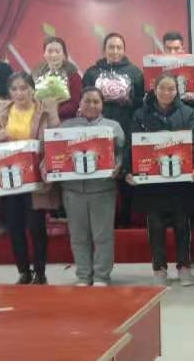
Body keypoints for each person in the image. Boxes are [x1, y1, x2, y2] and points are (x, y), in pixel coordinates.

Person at [125, 72, 194, 287]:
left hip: (180, 183)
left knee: (182, 226)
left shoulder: (188, 113)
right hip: (152, 185)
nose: (167, 92)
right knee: (156, 228)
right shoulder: (140, 114)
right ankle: (159, 269)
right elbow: (132, 145)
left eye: (171, 89)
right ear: (154, 89)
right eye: (163, 88)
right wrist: (129, 170)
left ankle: (184, 267)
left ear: (177, 91)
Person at [0, 72, 61, 284]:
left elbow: (56, 138)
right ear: (9, 92)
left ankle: (40, 272)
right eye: (14, 89)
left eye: (24, 88)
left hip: (35, 177)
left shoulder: (45, 111)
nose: (19, 93)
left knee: (36, 227)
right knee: (15, 226)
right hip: (9, 179)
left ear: (32, 90)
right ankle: (23, 271)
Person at [60, 87, 125, 286]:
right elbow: (54, 154)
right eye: (87, 101)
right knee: (78, 236)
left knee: (102, 236)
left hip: (102, 189)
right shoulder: (65, 127)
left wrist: (118, 166)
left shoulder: (113, 127)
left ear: (102, 104)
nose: (91, 105)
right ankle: (83, 275)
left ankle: (101, 276)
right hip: (72, 190)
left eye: (96, 101)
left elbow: (121, 153)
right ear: (80, 103)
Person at [83, 32, 144, 228]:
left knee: (124, 171)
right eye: (111, 47)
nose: (115, 51)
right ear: (104, 50)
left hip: (126, 126)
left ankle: (125, 218)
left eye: (119, 47)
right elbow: (84, 102)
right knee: (101, 173)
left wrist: (126, 99)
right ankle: (104, 219)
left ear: (124, 50)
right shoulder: (92, 73)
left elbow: (140, 102)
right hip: (97, 130)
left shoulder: (135, 73)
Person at [31, 36, 82, 122]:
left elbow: (74, 104)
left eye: (57, 51)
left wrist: (53, 112)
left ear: (64, 55)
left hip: (65, 121)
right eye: (50, 51)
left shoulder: (74, 76)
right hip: (41, 121)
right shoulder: (36, 75)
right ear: (44, 54)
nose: (54, 55)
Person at [162, 31, 194, 111]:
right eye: (169, 49)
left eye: (176, 48)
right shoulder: (156, 69)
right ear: (164, 49)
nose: (172, 52)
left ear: (182, 49)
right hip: (160, 115)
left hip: (187, 115)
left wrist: (191, 99)